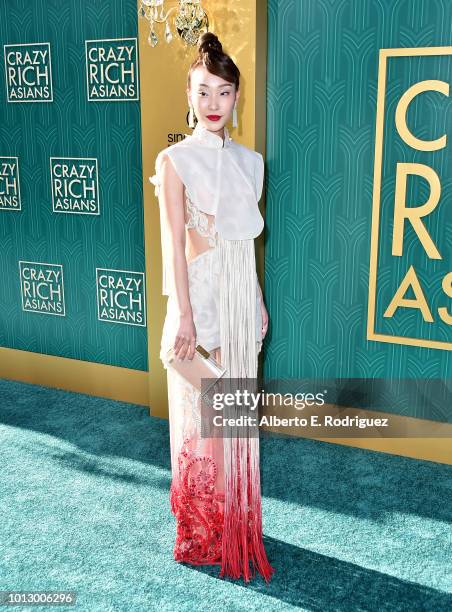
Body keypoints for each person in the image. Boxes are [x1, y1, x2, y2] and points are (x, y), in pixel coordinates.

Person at [149, 31, 274, 583]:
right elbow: (174, 242)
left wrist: (260, 302)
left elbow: (245, 243)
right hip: (199, 298)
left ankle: (238, 523)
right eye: (203, 92)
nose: (214, 104)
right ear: (189, 94)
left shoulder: (252, 163)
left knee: (236, 421)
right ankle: (203, 529)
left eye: (224, 93)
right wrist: (182, 313)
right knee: (202, 421)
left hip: (241, 299)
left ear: (237, 97)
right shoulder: (174, 159)